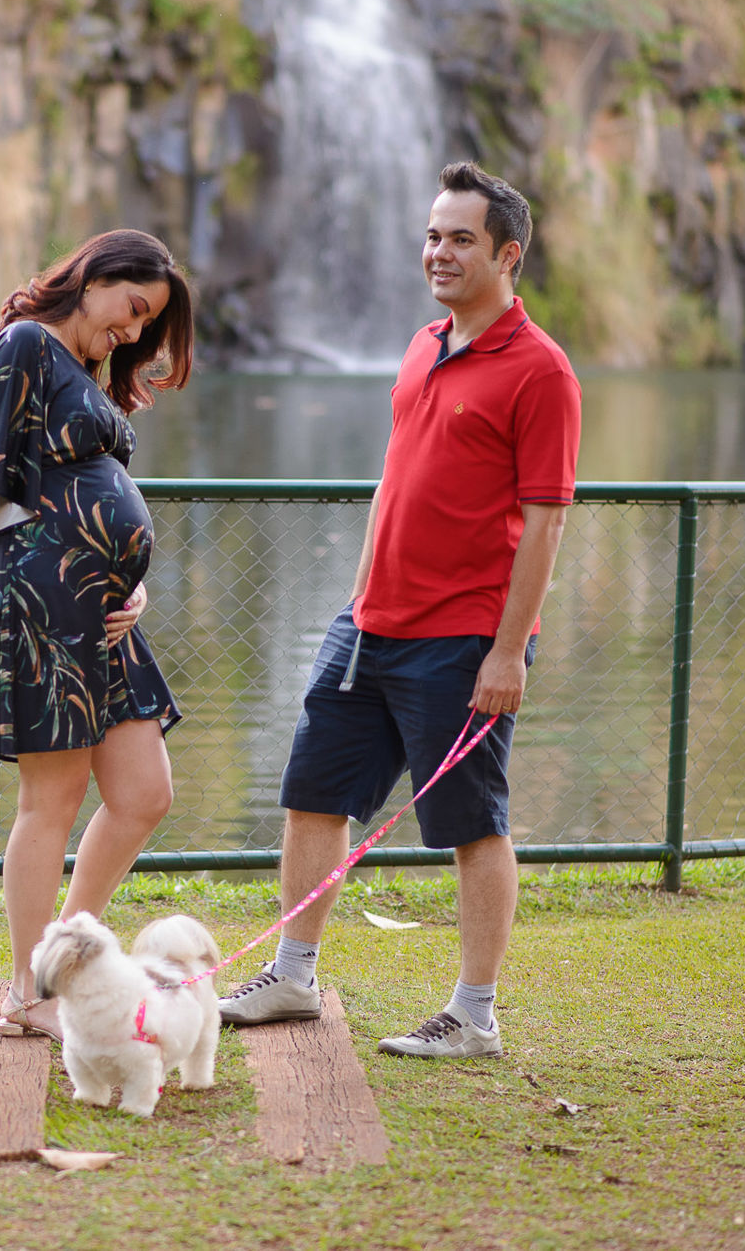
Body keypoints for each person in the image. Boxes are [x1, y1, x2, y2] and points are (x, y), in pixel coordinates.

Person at [219, 162, 581, 1058]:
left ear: (508, 254)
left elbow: (544, 527)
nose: (439, 252)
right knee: (312, 798)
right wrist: (358, 592)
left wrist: (507, 653)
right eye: (432, 235)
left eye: (461, 238)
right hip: (366, 629)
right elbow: (396, 476)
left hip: (462, 642)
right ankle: (294, 977)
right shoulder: (424, 345)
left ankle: (474, 1016)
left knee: (472, 826)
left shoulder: (542, 372)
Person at [0, 230, 196, 1040]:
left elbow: (99, 490)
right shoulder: (27, 344)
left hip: (105, 609)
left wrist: (136, 578)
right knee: (52, 798)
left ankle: (62, 962)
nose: (133, 331)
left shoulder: (85, 372)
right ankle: (29, 991)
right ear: (95, 276)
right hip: (41, 599)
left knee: (145, 794)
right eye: (134, 308)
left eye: (147, 324)